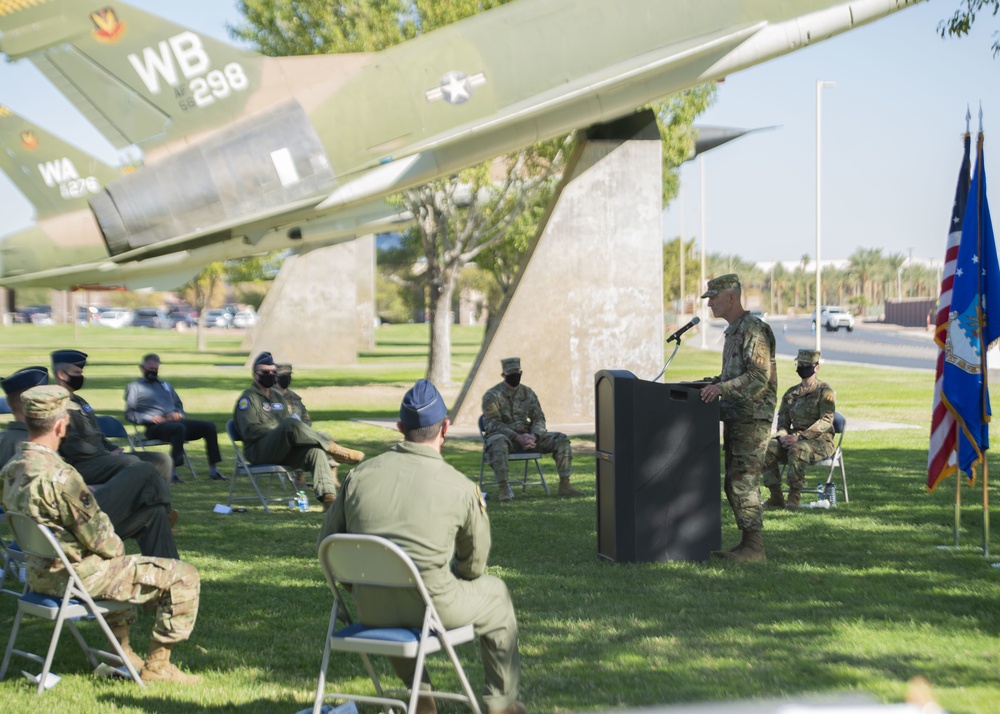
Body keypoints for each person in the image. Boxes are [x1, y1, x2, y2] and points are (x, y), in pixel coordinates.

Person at [319, 380, 524, 714]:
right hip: (434, 607)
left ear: (400, 428)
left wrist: (357, 584)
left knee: (390, 589)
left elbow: (327, 546)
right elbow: (475, 567)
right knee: (497, 594)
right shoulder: (460, 487)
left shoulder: (359, 476)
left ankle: (423, 700)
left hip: (372, 608)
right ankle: (501, 704)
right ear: (445, 428)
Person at [0, 385, 200, 682]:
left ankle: (121, 652)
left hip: (40, 575)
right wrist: (119, 553)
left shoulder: (12, 469)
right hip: (77, 576)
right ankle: (159, 666)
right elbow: (102, 541)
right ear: (60, 424)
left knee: (151, 514)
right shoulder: (62, 476)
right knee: (185, 575)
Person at [3, 366, 180, 559]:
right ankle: (172, 570)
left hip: (43, 544)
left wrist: (81, 489)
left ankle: (170, 570)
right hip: (71, 547)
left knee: (153, 513)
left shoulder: (16, 452)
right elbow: (99, 538)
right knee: (143, 470)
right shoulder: (53, 469)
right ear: (60, 424)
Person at [698, 274, 777, 562]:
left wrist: (721, 388)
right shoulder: (734, 331)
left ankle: (755, 548)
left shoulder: (753, 330)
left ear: (731, 297)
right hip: (736, 415)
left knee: (742, 481)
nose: (710, 305)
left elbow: (758, 376)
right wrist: (707, 384)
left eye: (714, 298)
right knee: (734, 481)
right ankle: (748, 543)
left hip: (752, 418)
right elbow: (733, 375)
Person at [233, 352, 364, 511]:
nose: (270, 375)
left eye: (273, 372)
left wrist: (284, 430)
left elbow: (287, 424)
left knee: (315, 451)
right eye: (265, 372)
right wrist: (279, 429)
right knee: (290, 424)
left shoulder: (277, 396)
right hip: (259, 450)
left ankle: (329, 500)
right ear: (255, 375)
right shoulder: (248, 399)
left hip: (282, 449)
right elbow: (250, 430)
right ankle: (334, 450)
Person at [52, 350, 173, 487]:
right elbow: (72, 445)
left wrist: (113, 449)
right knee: (131, 462)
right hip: (83, 464)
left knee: (162, 459)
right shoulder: (55, 404)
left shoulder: (80, 401)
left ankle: (159, 506)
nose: (81, 377)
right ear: (61, 374)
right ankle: (134, 504)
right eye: (77, 373)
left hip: (104, 457)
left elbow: (97, 435)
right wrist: (106, 453)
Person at [481, 357, 582, 502]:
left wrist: (534, 435)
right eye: (510, 372)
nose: (514, 375)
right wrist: (517, 437)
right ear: (503, 375)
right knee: (498, 442)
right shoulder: (492, 395)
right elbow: (492, 423)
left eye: (517, 371)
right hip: (505, 437)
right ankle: (504, 489)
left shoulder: (528, 393)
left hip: (529, 437)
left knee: (561, 439)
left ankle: (565, 485)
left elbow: (539, 418)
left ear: (521, 372)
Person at [125, 353, 226, 481]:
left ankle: (214, 470)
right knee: (179, 429)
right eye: (150, 369)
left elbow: (178, 405)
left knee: (209, 427)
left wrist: (178, 414)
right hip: (155, 426)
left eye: (156, 370)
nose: (153, 372)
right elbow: (129, 414)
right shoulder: (134, 387)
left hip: (175, 422)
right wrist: (149, 418)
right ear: (142, 368)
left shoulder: (165, 385)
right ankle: (172, 473)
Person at [761, 349, 836, 510]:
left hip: (821, 441)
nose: (802, 367)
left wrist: (800, 437)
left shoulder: (824, 391)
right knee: (768, 447)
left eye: (806, 365)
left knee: (798, 449)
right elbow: (782, 424)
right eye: (799, 364)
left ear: (816, 367)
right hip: (794, 439)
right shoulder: (791, 394)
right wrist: (782, 437)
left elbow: (826, 421)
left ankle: (794, 497)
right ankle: (776, 496)